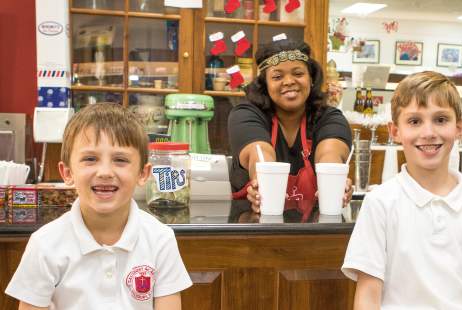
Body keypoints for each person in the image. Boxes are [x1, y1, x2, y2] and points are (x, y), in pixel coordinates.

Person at [342, 71, 462, 309]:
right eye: (414, 121)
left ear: (459, 127)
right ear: (395, 131)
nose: (429, 132)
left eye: (440, 119)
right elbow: (368, 294)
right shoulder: (380, 203)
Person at [5, 103, 192, 309]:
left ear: (142, 174)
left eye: (120, 160)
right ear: (67, 173)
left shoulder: (160, 239)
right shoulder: (45, 244)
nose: (105, 172)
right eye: (90, 159)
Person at [228, 38, 353, 212]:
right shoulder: (245, 115)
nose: (288, 81)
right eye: (277, 76)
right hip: (253, 230)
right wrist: (261, 184)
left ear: (311, 79)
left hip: (317, 231)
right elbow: (259, 154)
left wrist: (336, 182)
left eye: (298, 73)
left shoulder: (330, 118)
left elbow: (330, 155)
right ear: (265, 84)